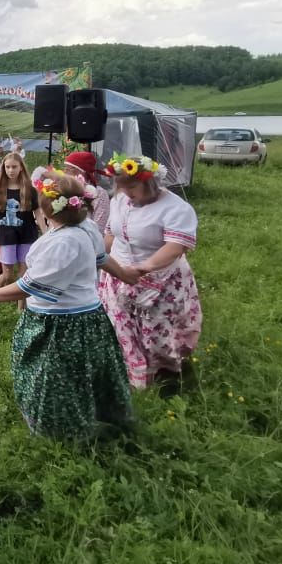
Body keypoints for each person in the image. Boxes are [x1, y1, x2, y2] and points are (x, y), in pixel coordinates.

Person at [0, 171, 134, 438]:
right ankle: (99, 418)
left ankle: (61, 432)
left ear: (46, 209)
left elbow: (29, 286)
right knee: (86, 372)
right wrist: (126, 274)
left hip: (60, 323)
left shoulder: (63, 242)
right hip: (89, 317)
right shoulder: (87, 227)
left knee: (51, 378)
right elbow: (101, 258)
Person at [97, 154, 201, 389]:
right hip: (119, 277)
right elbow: (110, 233)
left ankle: (171, 381)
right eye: (121, 187)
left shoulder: (175, 208)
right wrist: (100, 258)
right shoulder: (119, 200)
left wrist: (145, 267)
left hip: (160, 281)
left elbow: (176, 247)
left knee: (159, 334)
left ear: (150, 182)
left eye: (132, 187)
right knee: (122, 330)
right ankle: (133, 378)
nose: (126, 193)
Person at [0, 153, 40, 290]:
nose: (11, 170)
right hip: (6, 236)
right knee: (7, 274)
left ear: (21, 168)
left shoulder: (30, 190)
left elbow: (37, 213)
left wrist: (47, 233)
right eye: (7, 167)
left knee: (24, 274)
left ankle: (21, 307)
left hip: (27, 235)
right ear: (3, 169)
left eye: (14, 167)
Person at [62, 150, 110, 233]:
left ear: (81, 172)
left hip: (88, 241)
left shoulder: (99, 193)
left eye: (68, 169)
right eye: (64, 169)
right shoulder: (64, 191)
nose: (64, 173)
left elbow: (99, 227)